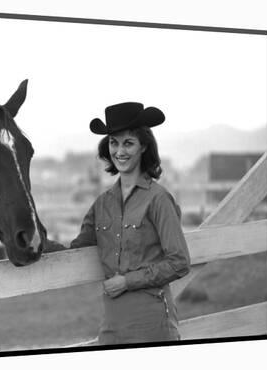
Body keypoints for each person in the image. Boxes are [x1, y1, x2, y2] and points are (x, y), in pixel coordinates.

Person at [70, 102, 191, 344]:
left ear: (143, 146)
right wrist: (34, 242)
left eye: (128, 143)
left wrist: (127, 281)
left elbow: (179, 262)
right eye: (114, 142)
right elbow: (76, 249)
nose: (119, 151)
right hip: (111, 326)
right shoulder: (102, 204)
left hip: (152, 322)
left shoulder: (158, 199)